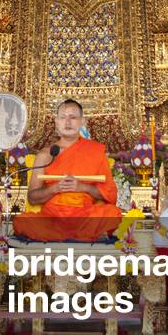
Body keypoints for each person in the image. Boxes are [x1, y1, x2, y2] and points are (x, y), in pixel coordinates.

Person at [12, 99, 121, 242]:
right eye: (63, 117)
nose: (67, 122)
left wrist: (82, 187)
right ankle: (81, 237)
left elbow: (111, 195)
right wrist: (55, 189)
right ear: (56, 122)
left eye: (73, 117)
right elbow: (32, 197)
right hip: (52, 219)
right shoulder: (45, 155)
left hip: (85, 216)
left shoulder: (95, 151)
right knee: (22, 221)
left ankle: (66, 237)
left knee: (113, 214)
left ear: (82, 122)